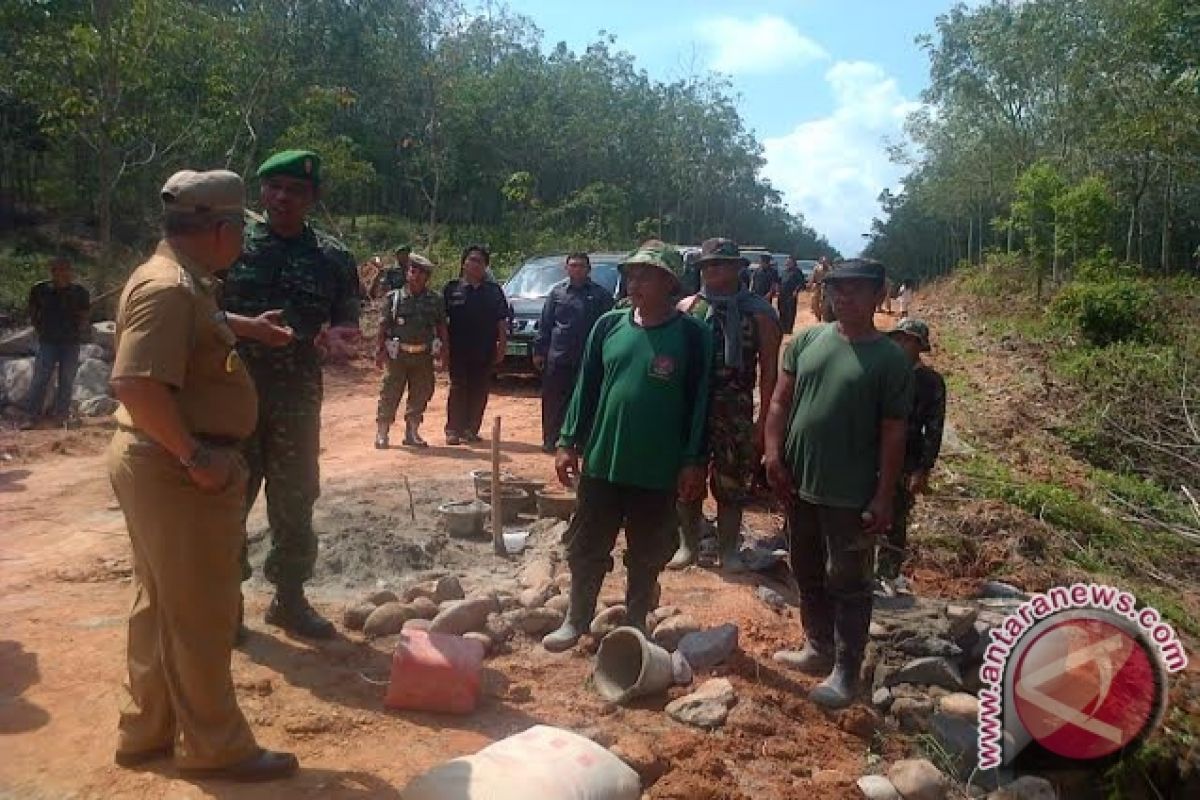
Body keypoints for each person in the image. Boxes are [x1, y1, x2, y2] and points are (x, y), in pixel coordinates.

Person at [108, 169, 297, 780]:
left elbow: (198, 330)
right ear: (221, 229)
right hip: (178, 470)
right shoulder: (167, 288)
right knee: (202, 610)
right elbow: (135, 383)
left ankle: (148, 728)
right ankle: (216, 745)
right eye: (241, 224)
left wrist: (249, 327)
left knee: (159, 603)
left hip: (166, 465)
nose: (243, 235)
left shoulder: (187, 282)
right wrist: (195, 457)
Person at [542, 241, 712, 652]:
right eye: (631, 273)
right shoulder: (609, 325)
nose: (634, 282)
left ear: (669, 282)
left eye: (645, 275)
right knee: (587, 544)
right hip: (603, 461)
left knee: (648, 550)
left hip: (657, 467)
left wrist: (693, 461)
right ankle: (577, 618)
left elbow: (701, 402)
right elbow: (586, 388)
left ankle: (635, 621)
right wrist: (567, 441)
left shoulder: (692, 335)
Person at [222, 149, 362, 640]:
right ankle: (225, 601)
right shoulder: (229, 244)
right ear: (261, 191)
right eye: (274, 187)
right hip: (229, 393)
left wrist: (341, 336)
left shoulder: (332, 257)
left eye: (295, 190)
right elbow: (193, 312)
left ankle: (289, 597)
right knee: (228, 495)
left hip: (297, 398)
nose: (282, 197)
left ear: (313, 197)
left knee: (296, 494)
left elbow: (347, 316)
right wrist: (247, 330)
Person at [764, 258, 912, 709]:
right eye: (837, 289)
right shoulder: (808, 339)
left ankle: (846, 671)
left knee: (848, 580)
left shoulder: (890, 359)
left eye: (855, 289)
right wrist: (772, 454)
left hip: (850, 492)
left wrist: (885, 495)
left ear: (876, 295)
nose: (844, 297)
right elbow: (779, 402)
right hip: (800, 483)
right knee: (806, 568)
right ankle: (817, 646)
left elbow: (894, 432)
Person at [669, 238, 780, 572]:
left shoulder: (759, 312)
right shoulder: (688, 308)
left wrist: (765, 424)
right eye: (707, 265)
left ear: (737, 267)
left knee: (732, 479)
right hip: (691, 407)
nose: (713, 270)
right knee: (687, 474)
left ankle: (728, 550)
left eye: (721, 264)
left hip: (735, 407)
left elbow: (770, 372)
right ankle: (688, 544)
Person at [878, 319, 945, 582]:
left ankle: (887, 574)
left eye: (906, 339)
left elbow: (934, 427)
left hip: (907, 458)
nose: (900, 344)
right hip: (872, 453)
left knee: (895, 516)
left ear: (919, 345)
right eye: (897, 338)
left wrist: (923, 468)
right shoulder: (884, 372)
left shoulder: (930, 382)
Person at [533, 252, 614, 454]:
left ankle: (581, 441)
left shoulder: (600, 295)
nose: (576, 269)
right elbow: (545, 324)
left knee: (586, 400)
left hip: (588, 359)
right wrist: (539, 351)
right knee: (553, 401)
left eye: (581, 266)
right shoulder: (557, 293)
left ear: (588, 270)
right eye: (573, 265)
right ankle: (551, 439)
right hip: (558, 356)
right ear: (566, 269)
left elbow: (609, 326)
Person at [374, 253, 448, 449]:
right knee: (390, 393)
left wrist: (443, 353)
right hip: (397, 355)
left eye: (418, 272)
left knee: (421, 394)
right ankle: (382, 433)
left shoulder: (435, 300)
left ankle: (412, 432)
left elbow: (441, 327)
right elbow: (383, 326)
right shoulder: (394, 298)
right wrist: (379, 350)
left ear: (426, 277)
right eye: (411, 271)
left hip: (423, 356)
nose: (414, 275)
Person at [443, 244, 509, 445]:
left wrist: (502, 346)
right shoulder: (451, 289)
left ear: (486, 267)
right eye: (471, 260)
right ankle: (453, 429)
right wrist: (442, 348)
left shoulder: (494, 291)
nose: (475, 264)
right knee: (458, 387)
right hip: (458, 349)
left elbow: (502, 321)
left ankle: (471, 429)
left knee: (479, 389)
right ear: (463, 263)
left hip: (484, 349)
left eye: (480, 261)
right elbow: (440, 322)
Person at [22, 257, 90, 425]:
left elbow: (84, 316)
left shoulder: (80, 292)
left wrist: (79, 330)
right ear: (51, 272)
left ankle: (61, 416)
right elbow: (32, 312)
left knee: (66, 380)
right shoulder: (40, 290)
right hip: (48, 341)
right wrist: (40, 330)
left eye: (64, 270)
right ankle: (31, 416)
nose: (61, 274)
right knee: (40, 378)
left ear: (70, 272)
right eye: (57, 270)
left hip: (71, 342)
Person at [777, 255, 807, 335]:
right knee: (782, 310)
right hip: (782, 294)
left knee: (790, 312)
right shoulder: (784, 271)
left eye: (789, 262)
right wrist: (778, 289)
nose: (787, 263)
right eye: (787, 262)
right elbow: (779, 281)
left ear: (793, 263)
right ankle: (782, 328)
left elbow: (801, 283)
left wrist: (796, 291)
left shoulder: (797, 272)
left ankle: (788, 329)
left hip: (791, 294)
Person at [809, 256, 830, 322]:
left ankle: (825, 316)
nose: (824, 262)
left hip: (826, 287)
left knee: (824, 302)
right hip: (817, 286)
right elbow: (813, 277)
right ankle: (817, 316)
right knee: (814, 300)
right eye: (823, 261)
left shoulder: (830, 269)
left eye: (825, 261)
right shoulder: (817, 268)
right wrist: (811, 283)